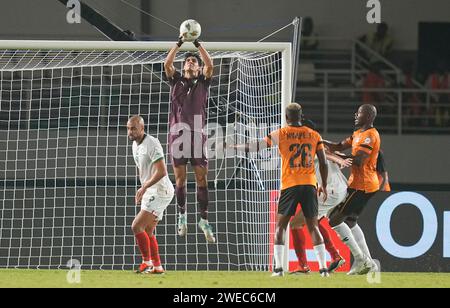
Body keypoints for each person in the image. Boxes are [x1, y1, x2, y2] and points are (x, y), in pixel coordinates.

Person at [231, 103, 330, 277]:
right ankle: (323, 269)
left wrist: (235, 147)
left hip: (290, 185)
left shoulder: (281, 133)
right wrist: (325, 185)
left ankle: (278, 269)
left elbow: (256, 146)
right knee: (313, 227)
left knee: (281, 226)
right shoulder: (314, 135)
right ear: (301, 116)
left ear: (286, 117)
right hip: (309, 185)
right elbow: (323, 162)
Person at [164, 34, 215, 243]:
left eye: (194, 61)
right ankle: (182, 217)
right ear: (184, 66)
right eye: (188, 60)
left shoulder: (203, 81)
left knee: (202, 180)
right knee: (180, 180)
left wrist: (196, 43)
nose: (191, 62)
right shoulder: (175, 80)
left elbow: (210, 64)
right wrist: (178, 43)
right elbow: (167, 63)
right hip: (177, 136)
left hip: (197, 136)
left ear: (198, 67)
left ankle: (203, 220)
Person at [323, 104, 380, 275]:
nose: (356, 115)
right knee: (350, 221)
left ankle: (362, 260)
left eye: (360, 113)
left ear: (369, 116)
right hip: (360, 184)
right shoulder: (357, 134)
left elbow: (359, 160)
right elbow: (339, 145)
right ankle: (367, 263)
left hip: (362, 186)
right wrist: (318, 142)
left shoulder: (370, 135)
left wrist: (337, 158)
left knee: (334, 220)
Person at [290, 147, 351, 274]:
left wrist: (338, 159)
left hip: (330, 192)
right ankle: (336, 256)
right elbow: (328, 153)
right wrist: (339, 158)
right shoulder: (323, 148)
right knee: (314, 222)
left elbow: (324, 155)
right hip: (340, 191)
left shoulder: (309, 148)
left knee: (296, 224)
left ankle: (303, 266)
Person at [127, 116, 175, 274]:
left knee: (136, 226)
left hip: (161, 190)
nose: (130, 132)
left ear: (142, 128)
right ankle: (157, 266)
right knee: (147, 231)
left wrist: (143, 187)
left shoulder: (152, 143)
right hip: (151, 190)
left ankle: (146, 262)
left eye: (133, 128)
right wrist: (145, 187)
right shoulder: (135, 145)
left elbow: (162, 171)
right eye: (128, 128)